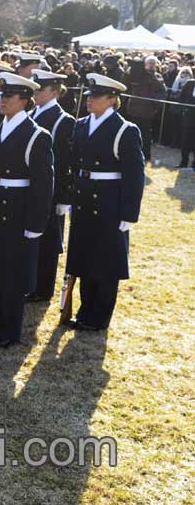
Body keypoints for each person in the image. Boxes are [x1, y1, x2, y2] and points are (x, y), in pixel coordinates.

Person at [64, 73, 145, 332]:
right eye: (89, 95)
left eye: (96, 96)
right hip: (85, 197)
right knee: (85, 257)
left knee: (106, 261)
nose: (90, 100)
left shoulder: (125, 130)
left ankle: (99, 316)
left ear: (112, 99)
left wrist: (129, 213)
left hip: (109, 201)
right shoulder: (81, 125)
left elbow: (134, 175)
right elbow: (73, 166)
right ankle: (85, 310)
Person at [0, 73, 54, 348]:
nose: (3, 101)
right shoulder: (1, 129)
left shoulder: (36, 136)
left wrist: (35, 224)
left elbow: (43, 185)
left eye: (9, 96)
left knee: (12, 276)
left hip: (19, 210)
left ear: (24, 100)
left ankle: (9, 330)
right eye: (2, 95)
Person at [28, 69, 75, 302]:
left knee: (47, 241)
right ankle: (30, 282)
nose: (35, 92)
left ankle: (43, 288)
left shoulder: (63, 120)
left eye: (41, 89)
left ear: (55, 92)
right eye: (34, 88)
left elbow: (66, 161)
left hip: (52, 190)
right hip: (30, 186)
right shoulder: (31, 113)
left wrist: (64, 197)